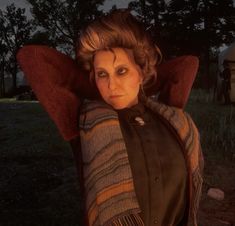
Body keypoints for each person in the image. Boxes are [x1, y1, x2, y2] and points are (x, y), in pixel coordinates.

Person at [76, 9, 203, 226]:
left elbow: (188, 63)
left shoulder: (177, 122)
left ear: (141, 72)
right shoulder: (91, 125)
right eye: (102, 74)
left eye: (122, 71)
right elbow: (34, 58)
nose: (111, 86)